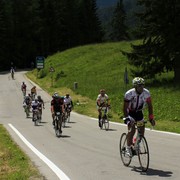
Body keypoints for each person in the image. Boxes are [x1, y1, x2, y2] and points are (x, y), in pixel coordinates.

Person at [123, 77, 155, 157]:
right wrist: (127, 118)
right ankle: (128, 147)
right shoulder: (129, 93)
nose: (141, 87)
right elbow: (124, 107)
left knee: (141, 132)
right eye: (139, 86)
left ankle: (136, 144)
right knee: (132, 130)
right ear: (135, 86)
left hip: (139, 112)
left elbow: (150, 106)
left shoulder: (146, 93)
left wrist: (151, 117)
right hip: (130, 112)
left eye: (142, 85)